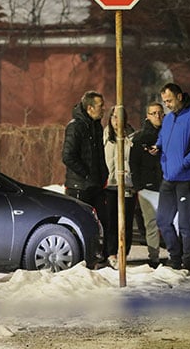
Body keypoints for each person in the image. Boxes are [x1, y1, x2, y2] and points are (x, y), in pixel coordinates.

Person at [155, 83, 190, 270]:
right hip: (169, 176)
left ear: (179, 97)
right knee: (162, 219)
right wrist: (157, 147)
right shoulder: (169, 119)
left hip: (188, 177)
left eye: (169, 100)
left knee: (185, 223)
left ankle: (187, 261)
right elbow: (163, 138)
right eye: (164, 101)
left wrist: (184, 163)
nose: (166, 104)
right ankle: (175, 256)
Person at [62, 91, 108, 261]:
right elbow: (68, 156)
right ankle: (81, 260)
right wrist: (87, 174)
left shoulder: (96, 126)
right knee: (81, 223)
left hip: (96, 185)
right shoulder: (75, 126)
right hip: (79, 186)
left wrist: (103, 174)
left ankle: (98, 257)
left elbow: (98, 155)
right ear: (89, 108)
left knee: (101, 222)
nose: (104, 109)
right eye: (100, 106)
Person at [129, 102, 164, 268]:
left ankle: (174, 254)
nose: (157, 116)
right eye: (153, 113)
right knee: (151, 223)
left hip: (166, 184)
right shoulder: (140, 138)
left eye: (159, 113)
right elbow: (133, 164)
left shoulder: (168, 134)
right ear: (147, 116)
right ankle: (154, 258)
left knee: (169, 221)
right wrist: (139, 186)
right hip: (147, 187)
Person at [102, 106, 136, 269]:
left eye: (119, 117)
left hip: (127, 186)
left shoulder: (132, 136)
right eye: (113, 116)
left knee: (126, 222)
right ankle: (111, 254)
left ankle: (124, 253)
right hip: (109, 185)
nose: (116, 120)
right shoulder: (105, 135)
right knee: (111, 222)